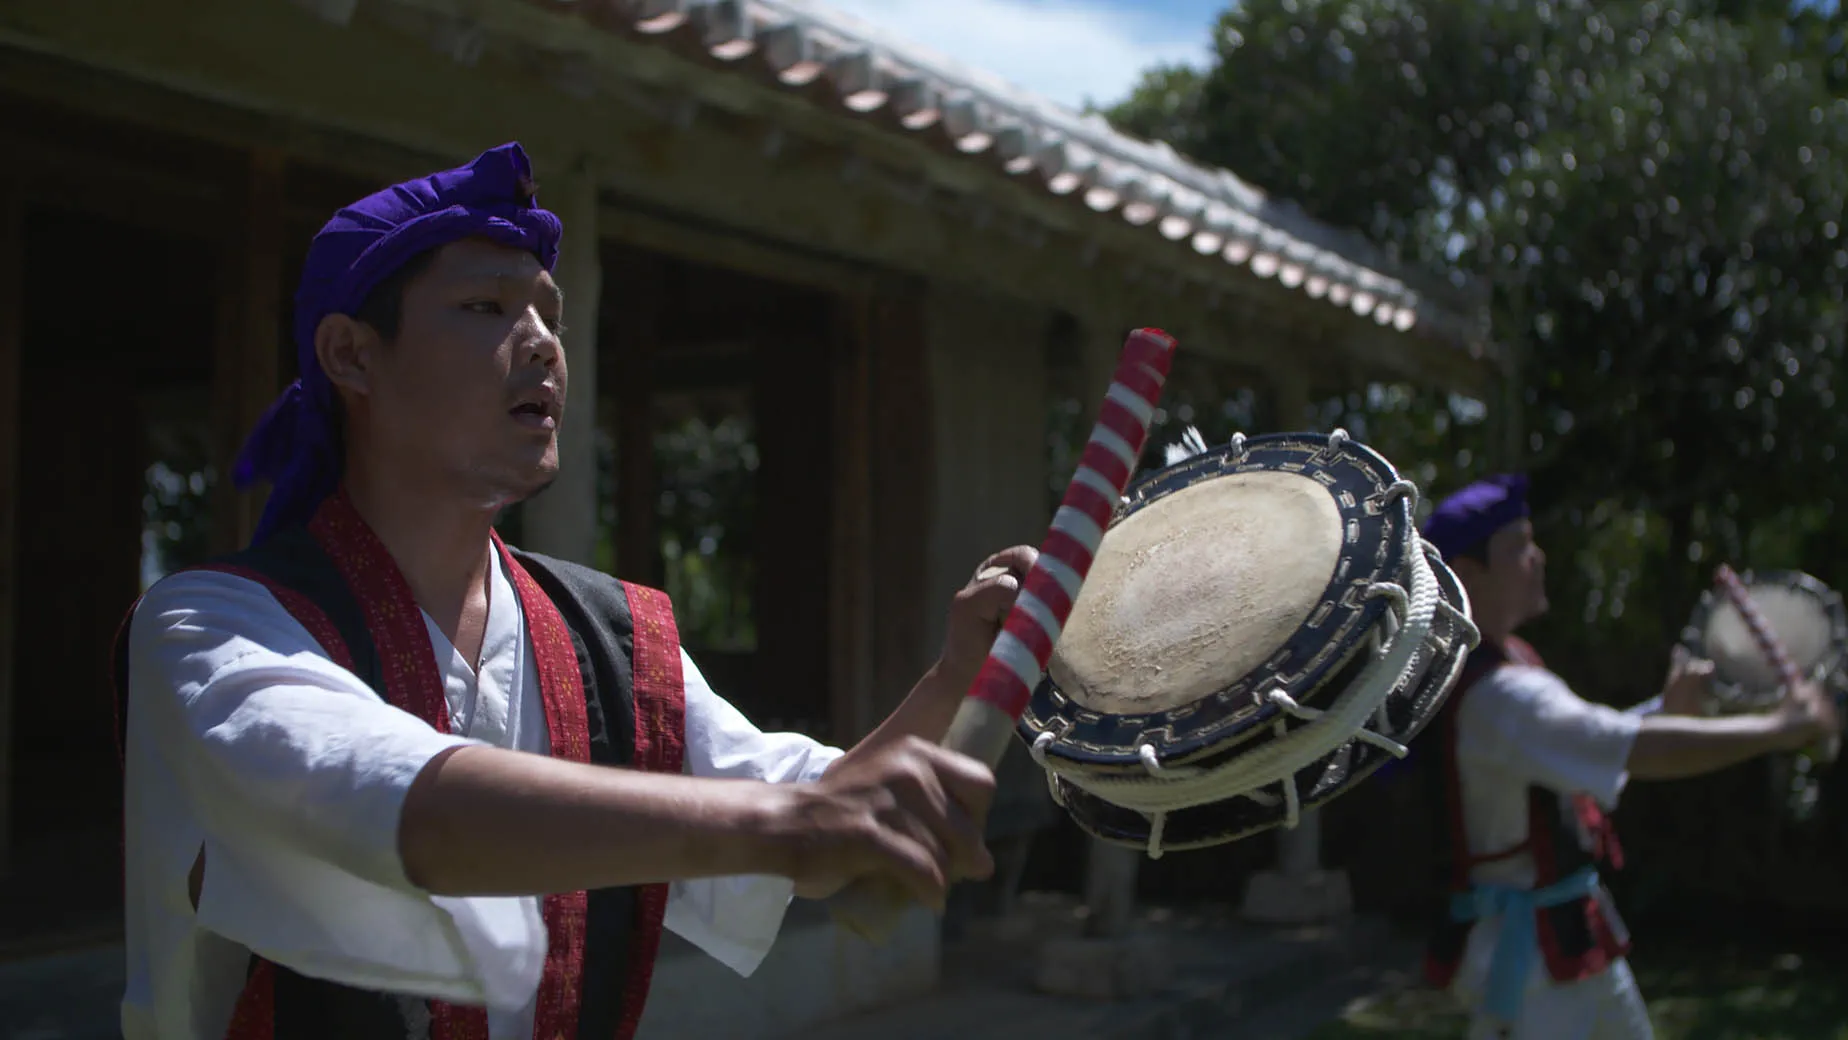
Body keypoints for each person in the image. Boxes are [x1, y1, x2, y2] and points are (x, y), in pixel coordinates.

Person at [115, 142, 1026, 1040]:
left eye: (550, 314)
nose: (544, 344)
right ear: (352, 355)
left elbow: (817, 818)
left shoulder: (609, 635)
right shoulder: (210, 628)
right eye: (486, 306)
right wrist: (799, 822)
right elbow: (394, 805)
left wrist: (960, 671)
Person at [1417, 473, 1841, 1040]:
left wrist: (1663, 709)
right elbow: (1630, 749)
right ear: (1466, 575)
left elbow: (1587, 741)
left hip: (1574, 942)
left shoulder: (1512, 662)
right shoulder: (1500, 696)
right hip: (1531, 972)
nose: (1538, 558)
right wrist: (1778, 728)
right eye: (1517, 545)